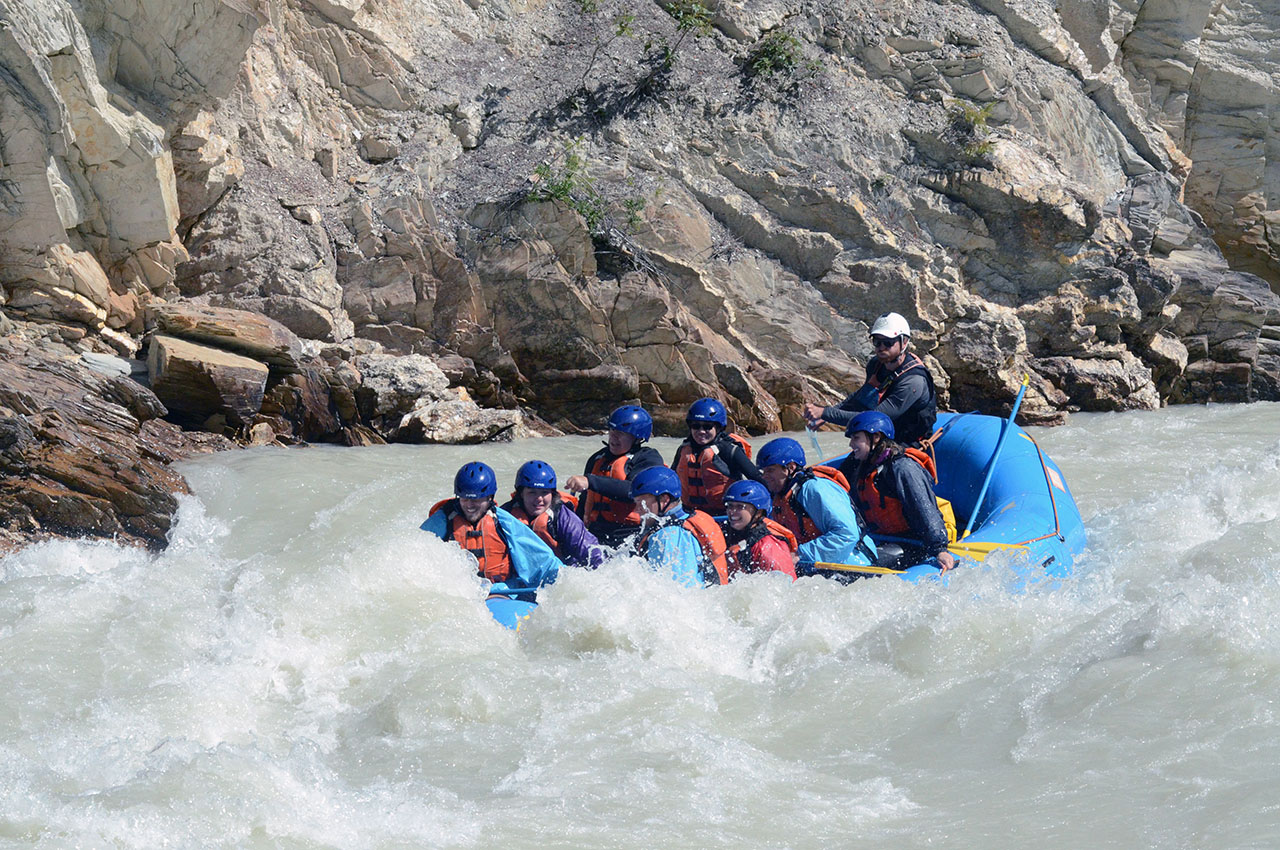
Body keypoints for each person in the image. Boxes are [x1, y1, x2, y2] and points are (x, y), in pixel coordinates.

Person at [421, 461, 561, 599]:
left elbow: (542, 559)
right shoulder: (444, 520)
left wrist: (565, 582)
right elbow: (415, 551)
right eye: (465, 499)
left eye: (476, 500)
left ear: (489, 498)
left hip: (499, 592)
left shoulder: (503, 522)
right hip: (459, 594)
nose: (470, 505)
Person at [840, 411, 957, 573]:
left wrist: (939, 549)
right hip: (879, 538)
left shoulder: (903, 469)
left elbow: (924, 509)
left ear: (876, 437)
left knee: (859, 566)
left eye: (856, 438)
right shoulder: (861, 466)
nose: (851, 444)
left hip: (912, 543)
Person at [803, 311, 938, 446]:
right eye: (877, 342)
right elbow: (862, 397)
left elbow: (873, 418)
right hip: (884, 436)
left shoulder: (913, 381)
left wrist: (826, 413)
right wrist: (831, 413)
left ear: (904, 342)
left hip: (908, 442)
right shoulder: (876, 364)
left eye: (888, 342)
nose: (881, 348)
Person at [756, 437, 876, 572]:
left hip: (853, 562)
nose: (764, 476)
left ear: (790, 468)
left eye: (770, 470)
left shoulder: (814, 489)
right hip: (812, 564)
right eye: (763, 471)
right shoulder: (780, 494)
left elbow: (846, 534)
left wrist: (799, 554)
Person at [565, 405, 664, 547]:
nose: (613, 436)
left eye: (621, 433)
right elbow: (586, 499)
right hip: (595, 533)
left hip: (630, 535)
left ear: (637, 438)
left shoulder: (648, 458)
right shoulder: (598, 458)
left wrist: (590, 481)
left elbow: (633, 490)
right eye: (612, 430)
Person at [629, 466, 729, 588]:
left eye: (641, 502)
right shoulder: (692, 517)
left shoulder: (668, 536)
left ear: (664, 500)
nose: (636, 510)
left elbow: (678, 591)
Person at [500, 460, 604, 568]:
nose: (539, 499)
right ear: (521, 493)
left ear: (552, 493)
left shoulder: (564, 517)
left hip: (561, 574)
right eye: (532, 492)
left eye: (544, 492)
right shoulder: (506, 515)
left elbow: (594, 553)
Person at [670, 397, 764, 515]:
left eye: (707, 426)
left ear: (718, 428)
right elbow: (670, 482)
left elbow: (756, 477)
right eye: (696, 426)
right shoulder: (683, 450)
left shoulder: (729, 450)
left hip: (723, 515)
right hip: (690, 514)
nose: (701, 431)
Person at [720, 479, 797, 580]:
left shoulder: (768, 547)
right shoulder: (728, 534)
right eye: (730, 506)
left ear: (759, 513)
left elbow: (780, 590)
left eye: (740, 507)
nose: (732, 512)